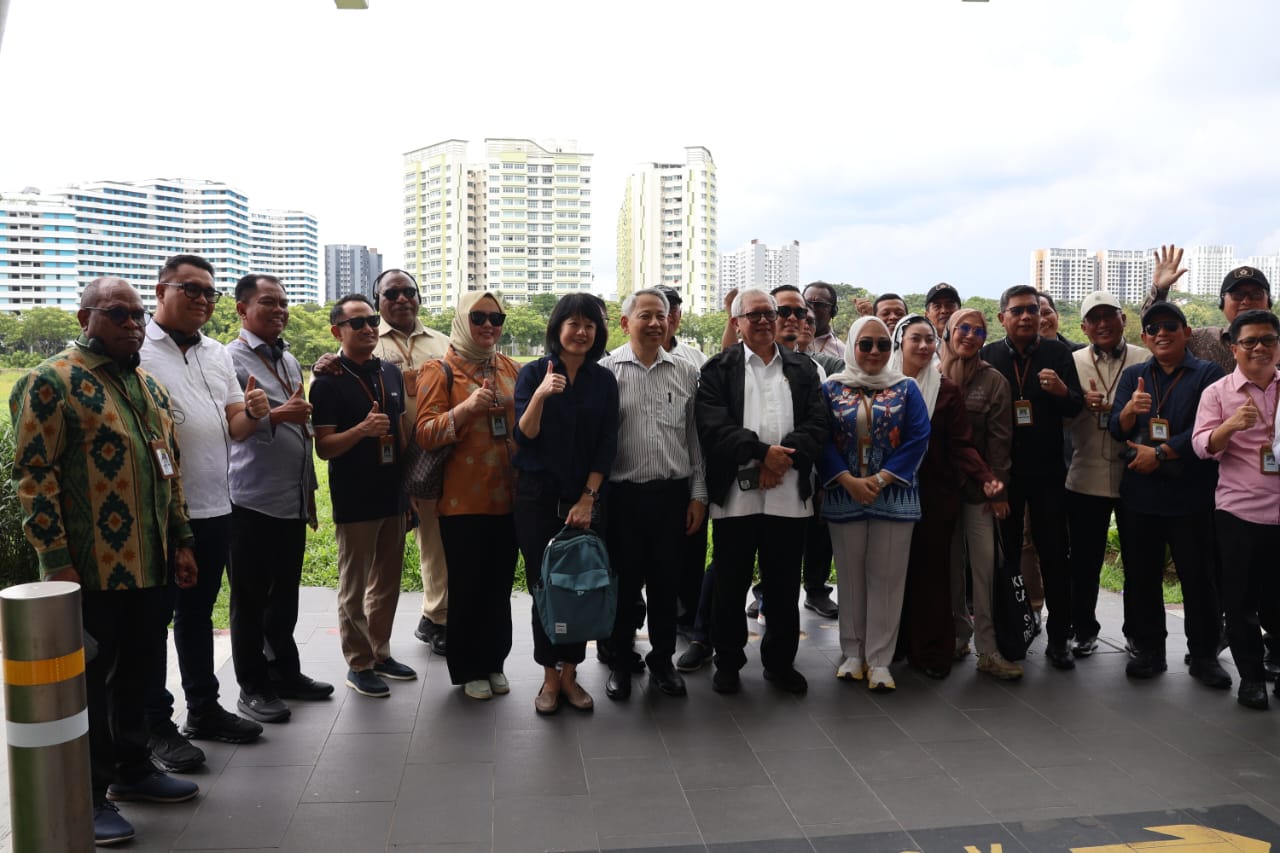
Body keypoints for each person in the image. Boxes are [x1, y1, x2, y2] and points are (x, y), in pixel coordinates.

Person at [10, 278, 199, 845]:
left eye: (139, 315)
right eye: (118, 313)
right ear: (85, 317)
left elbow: (169, 468)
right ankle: (87, 796)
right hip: (88, 570)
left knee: (139, 672)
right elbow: (34, 477)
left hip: (149, 564)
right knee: (90, 684)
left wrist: (183, 540)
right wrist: (56, 562)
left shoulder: (147, 385)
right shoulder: (50, 381)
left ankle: (133, 768)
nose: (133, 324)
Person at [139, 254, 265, 774]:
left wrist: (252, 413)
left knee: (197, 615)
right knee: (152, 621)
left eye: (209, 292)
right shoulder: (139, 348)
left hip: (215, 504)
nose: (202, 299)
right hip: (159, 512)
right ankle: (153, 726)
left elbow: (235, 425)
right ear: (160, 291)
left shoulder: (216, 352)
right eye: (190, 289)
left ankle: (204, 709)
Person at [697, 287, 827, 694]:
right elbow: (713, 428)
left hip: (788, 496)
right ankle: (728, 662)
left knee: (784, 586)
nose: (765, 321)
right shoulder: (718, 369)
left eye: (770, 313)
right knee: (730, 585)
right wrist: (761, 454)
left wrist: (781, 459)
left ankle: (780, 663)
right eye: (754, 315)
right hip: (737, 499)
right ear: (737, 323)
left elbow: (818, 424)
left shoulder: (803, 368)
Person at [227, 274, 334, 725]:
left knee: (284, 595)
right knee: (250, 599)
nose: (280, 310)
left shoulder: (288, 358)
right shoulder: (229, 360)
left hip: (290, 498)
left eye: (284, 303)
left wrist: (307, 492)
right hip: (250, 499)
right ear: (242, 309)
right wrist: (276, 415)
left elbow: (299, 419)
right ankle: (252, 686)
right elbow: (232, 427)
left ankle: (285, 672)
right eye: (268, 302)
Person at [1110, 302, 1229, 687]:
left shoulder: (1208, 374)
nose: (1161, 333)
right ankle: (1148, 650)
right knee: (1142, 575)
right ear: (1145, 338)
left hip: (1190, 493)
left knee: (1199, 577)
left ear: (1186, 332)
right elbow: (1116, 428)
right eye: (1153, 328)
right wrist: (1130, 410)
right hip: (1140, 494)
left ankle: (1205, 655)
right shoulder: (1134, 376)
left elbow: (1207, 427)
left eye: (1170, 326)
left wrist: (1160, 452)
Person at [512, 294, 617, 714]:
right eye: (573, 323)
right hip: (536, 500)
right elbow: (525, 435)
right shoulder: (533, 373)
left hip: (584, 500)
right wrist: (540, 395)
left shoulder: (603, 380)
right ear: (557, 328)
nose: (582, 332)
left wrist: (588, 499)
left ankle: (571, 675)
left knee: (580, 584)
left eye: (589, 325)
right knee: (545, 588)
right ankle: (549, 678)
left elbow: (607, 443)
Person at [415, 290, 520, 701]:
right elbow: (426, 432)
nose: (489, 326)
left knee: (499, 587)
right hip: (461, 501)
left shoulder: (510, 367)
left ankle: (494, 662)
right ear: (462, 320)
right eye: (479, 317)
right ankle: (469, 667)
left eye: (497, 318)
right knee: (467, 587)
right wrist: (468, 408)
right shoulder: (439, 370)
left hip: (509, 496)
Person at [601, 288, 705, 700]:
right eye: (645, 315)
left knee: (666, 583)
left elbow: (694, 439)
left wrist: (698, 495)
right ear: (625, 322)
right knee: (623, 586)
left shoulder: (686, 371)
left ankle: (663, 660)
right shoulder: (606, 372)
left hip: (671, 496)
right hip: (622, 497)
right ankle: (620, 660)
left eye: (661, 315)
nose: (655, 323)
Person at [311, 294, 417, 698]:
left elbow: (400, 432)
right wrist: (361, 431)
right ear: (337, 331)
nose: (369, 328)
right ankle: (358, 664)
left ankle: (379, 651)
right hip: (355, 497)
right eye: (357, 323)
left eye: (372, 320)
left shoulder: (389, 372)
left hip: (392, 493)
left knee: (388, 581)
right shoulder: (327, 381)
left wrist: (408, 488)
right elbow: (325, 447)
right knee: (354, 587)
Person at [820, 316, 931, 691]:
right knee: (850, 578)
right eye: (865, 344)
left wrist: (881, 479)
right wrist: (847, 480)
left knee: (887, 581)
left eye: (883, 345)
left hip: (894, 497)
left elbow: (918, 437)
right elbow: (821, 438)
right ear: (852, 346)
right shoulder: (831, 388)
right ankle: (853, 654)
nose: (874, 351)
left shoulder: (906, 387)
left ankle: (880, 660)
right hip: (844, 493)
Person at [891, 315, 1001, 680]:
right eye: (916, 339)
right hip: (888, 494)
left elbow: (961, 443)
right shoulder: (882, 384)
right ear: (900, 341)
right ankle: (892, 645)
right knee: (893, 573)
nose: (924, 346)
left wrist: (986, 477)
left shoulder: (945, 389)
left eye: (930, 339)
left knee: (933, 576)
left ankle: (931, 651)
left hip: (935, 495)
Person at [981, 285, 1084, 670]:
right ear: (1002, 317)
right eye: (1017, 310)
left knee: (1055, 555)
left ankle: (1059, 639)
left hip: (1047, 474)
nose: (1026, 316)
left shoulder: (1058, 354)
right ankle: (1010, 633)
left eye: (1032, 310)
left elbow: (1076, 407)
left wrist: (1061, 390)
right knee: (1005, 556)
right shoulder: (989, 356)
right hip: (1004, 475)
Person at [1192, 309, 1280, 709]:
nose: (1260, 347)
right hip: (1239, 513)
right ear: (1234, 348)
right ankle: (1252, 679)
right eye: (1250, 341)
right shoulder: (1218, 393)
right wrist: (1229, 426)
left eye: (1268, 340)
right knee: (1240, 602)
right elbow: (1201, 446)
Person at [1064, 291, 1150, 658]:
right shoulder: (1072, 362)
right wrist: (1080, 403)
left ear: (1123, 319)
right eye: (1094, 318)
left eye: (1109, 316)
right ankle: (1083, 629)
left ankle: (1138, 632)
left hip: (1136, 475)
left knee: (1138, 561)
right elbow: (1060, 414)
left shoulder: (1144, 358)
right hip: (1086, 475)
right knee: (1083, 562)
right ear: (1083, 327)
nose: (1102, 324)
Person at [371, 270, 451, 655]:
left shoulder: (443, 343)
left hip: (431, 458)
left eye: (409, 292)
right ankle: (372, 644)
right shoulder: (366, 340)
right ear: (377, 301)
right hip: (381, 459)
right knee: (383, 551)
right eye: (392, 293)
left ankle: (437, 617)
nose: (402, 299)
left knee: (434, 539)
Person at [941, 310, 1020, 679]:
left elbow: (1002, 442)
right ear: (948, 331)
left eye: (979, 331)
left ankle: (987, 649)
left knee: (984, 570)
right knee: (949, 568)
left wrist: (998, 489)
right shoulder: (932, 374)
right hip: (942, 491)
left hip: (980, 492)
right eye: (963, 328)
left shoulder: (993, 381)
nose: (970, 336)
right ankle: (958, 634)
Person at [1144, 247, 1273, 373]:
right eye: (1237, 295)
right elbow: (1153, 331)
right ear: (1222, 302)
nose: (1246, 301)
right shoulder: (1202, 340)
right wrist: (1160, 290)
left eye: (1256, 294)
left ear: (1268, 301)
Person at [803, 280, 845, 358]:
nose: (811, 309)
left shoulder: (841, 352)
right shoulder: (787, 341)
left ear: (833, 311)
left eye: (819, 305)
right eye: (807, 303)